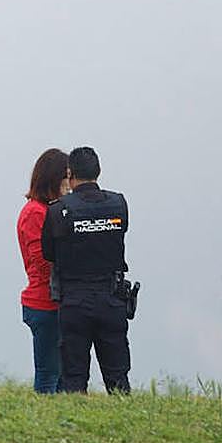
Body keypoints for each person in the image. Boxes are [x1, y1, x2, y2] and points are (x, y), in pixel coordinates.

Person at [40, 146, 131, 394]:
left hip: (74, 300)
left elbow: (48, 253)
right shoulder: (118, 204)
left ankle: (77, 425)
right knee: (118, 375)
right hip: (111, 298)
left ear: (70, 174)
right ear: (98, 171)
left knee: (74, 376)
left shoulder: (58, 210)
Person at [17, 148, 69, 394]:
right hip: (43, 302)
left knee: (61, 376)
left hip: (56, 302)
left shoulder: (48, 210)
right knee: (49, 374)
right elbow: (41, 261)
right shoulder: (35, 213)